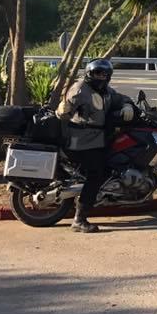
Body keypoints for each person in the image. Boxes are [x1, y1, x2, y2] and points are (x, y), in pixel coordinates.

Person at [56, 58, 136, 233]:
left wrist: (128, 105)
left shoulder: (105, 91)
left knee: (111, 162)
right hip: (80, 141)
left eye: (105, 74)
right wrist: (63, 110)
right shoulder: (79, 90)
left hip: (96, 139)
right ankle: (79, 219)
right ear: (89, 74)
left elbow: (120, 97)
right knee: (96, 174)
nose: (101, 76)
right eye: (97, 73)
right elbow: (64, 112)